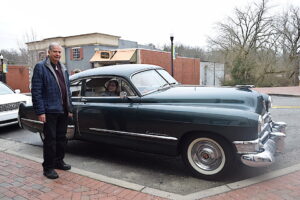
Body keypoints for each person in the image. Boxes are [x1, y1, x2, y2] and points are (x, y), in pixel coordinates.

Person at [31, 42, 73, 179]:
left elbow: (68, 90)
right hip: (49, 110)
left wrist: (69, 108)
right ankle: (48, 168)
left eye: (59, 52)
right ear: (48, 52)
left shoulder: (63, 68)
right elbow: (36, 91)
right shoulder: (41, 67)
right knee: (50, 140)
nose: (58, 54)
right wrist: (40, 112)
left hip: (63, 110)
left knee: (62, 139)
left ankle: (58, 161)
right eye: (55, 51)